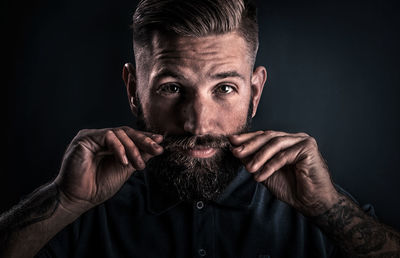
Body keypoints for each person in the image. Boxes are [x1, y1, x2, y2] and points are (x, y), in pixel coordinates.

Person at [1, 0, 400, 257]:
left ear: (255, 92)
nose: (198, 123)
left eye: (224, 88)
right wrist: (65, 201)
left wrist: (327, 209)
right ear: (133, 90)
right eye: (172, 88)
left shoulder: (311, 200)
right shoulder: (84, 206)